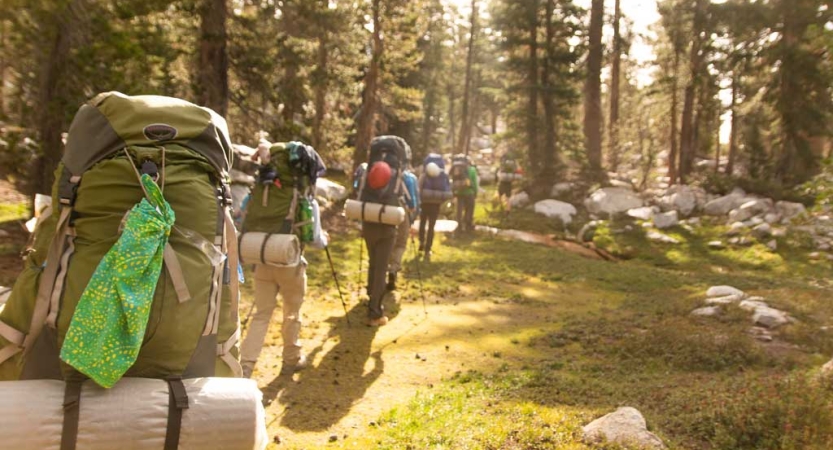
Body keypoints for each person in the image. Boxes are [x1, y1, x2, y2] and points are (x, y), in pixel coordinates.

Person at [239, 141, 323, 378]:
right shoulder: (300, 196)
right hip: (289, 259)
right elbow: (314, 237)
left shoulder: (260, 189)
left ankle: (246, 365)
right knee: (292, 311)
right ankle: (292, 357)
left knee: (262, 313)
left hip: (262, 255)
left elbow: (243, 216)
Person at [358, 135, 412, 326]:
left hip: (368, 222)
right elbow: (407, 199)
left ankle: (370, 295)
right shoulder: (399, 176)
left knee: (373, 262)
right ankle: (375, 313)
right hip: (387, 226)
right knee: (381, 268)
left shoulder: (366, 172)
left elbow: (358, 193)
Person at [387, 166, 419, 290]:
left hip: (381, 210)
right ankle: (393, 269)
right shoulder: (406, 177)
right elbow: (412, 203)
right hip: (400, 211)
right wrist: (413, 213)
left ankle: (381, 271)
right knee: (400, 243)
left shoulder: (377, 169)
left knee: (386, 242)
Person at [418, 154, 452, 263]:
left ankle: (421, 243)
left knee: (422, 224)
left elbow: (419, 188)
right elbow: (448, 191)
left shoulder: (424, 175)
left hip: (424, 204)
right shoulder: (443, 176)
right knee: (431, 226)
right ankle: (428, 248)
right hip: (435, 205)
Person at [451, 154, 479, 234]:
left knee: (459, 210)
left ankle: (459, 226)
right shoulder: (472, 169)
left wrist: (453, 192)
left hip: (459, 193)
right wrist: (475, 192)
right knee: (469, 209)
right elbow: (474, 182)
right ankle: (468, 225)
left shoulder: (456, 169)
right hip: (469, 192)